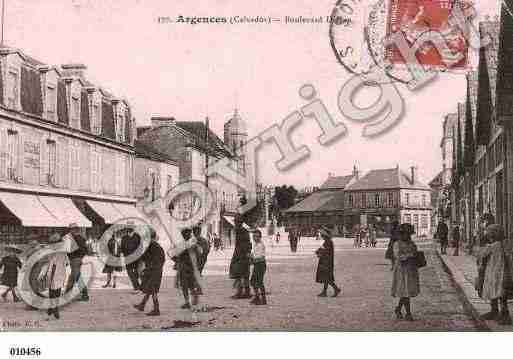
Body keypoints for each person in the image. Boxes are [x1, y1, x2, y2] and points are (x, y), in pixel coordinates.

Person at [476, 224, 513, 325]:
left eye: (489, 233)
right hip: (498, 271)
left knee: (498, 292)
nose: (488, 235)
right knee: (499, 292)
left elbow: (481, 254)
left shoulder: (494, 246)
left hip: (496, 272)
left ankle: (501, 314)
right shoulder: (504, 244)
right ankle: (497, 312)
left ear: (493, 235)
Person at [391, 223, 420, 321]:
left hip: (411, 270)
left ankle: (398, 309)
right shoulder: (397, 244)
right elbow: (398, 256)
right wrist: (409, 255)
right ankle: (408, 313)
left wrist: (415, 255)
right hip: (401, 271)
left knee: (406, 292)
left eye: (409, 234)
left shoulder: (411, 243)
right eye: (405, 234)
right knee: (405, 292)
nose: (407, 236)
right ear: (401, 234)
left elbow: (415, 252)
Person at [134, 229, 165, 316]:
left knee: (152, 289)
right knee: (149, 288)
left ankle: (156, 309)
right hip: (154, 269)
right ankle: (142, 305)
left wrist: (149, 268)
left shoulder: (153, 245)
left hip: (154, 270)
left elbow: (155, 259)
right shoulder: (154, 245)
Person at [175, 228, 202, 309]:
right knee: (184, 285)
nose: (185, 235)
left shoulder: (193, 243)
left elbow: (200, 252)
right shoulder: (182, 244)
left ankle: (194, 297)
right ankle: (187, 301)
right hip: (183, 267)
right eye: (184, 234)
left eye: (187, 234)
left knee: (191, 284)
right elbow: (175, 255)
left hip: (190, 267)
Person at [45, 233, 69, 320]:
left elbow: (51, 264)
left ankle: (53, 308)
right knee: (57, 291)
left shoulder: (53, 251)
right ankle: (54, 308)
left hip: (53, 273)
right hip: (61, 273)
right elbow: (66, 263)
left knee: (52, 291)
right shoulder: (63, 251)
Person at [229, 214, 252, 299]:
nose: (235, 223)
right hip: (240, 254)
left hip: (242, 255)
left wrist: (246, 254)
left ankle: (242, 292)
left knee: (241, 274)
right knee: (240, 274)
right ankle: (244, 292)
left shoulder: (242, 231)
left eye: (236, 222)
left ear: (240, 223)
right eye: (235, 222)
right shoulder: (240, 231)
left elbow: (248, 244)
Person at [64, 223, 89, 301]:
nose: (70, 231)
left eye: (71, 229)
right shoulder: (79, 238)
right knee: (78, 277)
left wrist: (76, 257)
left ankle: (67, 295)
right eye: (70, 229)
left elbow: (69, 250)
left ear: (74, 229)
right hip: (76, 259)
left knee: (72, 277)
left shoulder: (76, 238)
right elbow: (85, 250)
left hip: (75, 260)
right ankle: (85, 295)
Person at [315, 226, 341, 297]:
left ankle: (336, 289)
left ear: (325, 235)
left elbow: (325, 251)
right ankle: (325, 292)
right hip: (326, 261)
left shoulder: (328, 242)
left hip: (326, 262)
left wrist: (319, 253)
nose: (321, 235)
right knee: (326, 277)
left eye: (322, 234)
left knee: (327, 277)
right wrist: (318, 251)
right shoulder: (327, 241)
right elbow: (322, 249)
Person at [121, 224, 142, 292]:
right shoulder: (124, 237)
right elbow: (122, 247)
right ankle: (136, 286)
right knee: (130, 272)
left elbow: (140, 247)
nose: (129, 232)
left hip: (136, 257)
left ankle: (137, 286)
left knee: (136, 272)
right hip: (128, 258)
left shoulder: (137, 236)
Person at [250, 229, 267, 305]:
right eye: (254, 236)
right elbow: (255, 255)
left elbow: (261, 258)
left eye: (256, 236)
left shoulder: (260, 245)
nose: (255, 238)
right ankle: (257, 297)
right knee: (253, 281)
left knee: (259, 282)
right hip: (257, 264)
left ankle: (263, 300)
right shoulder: (255, 244)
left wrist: (252, 260)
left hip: (260, 265)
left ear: (260, 237)